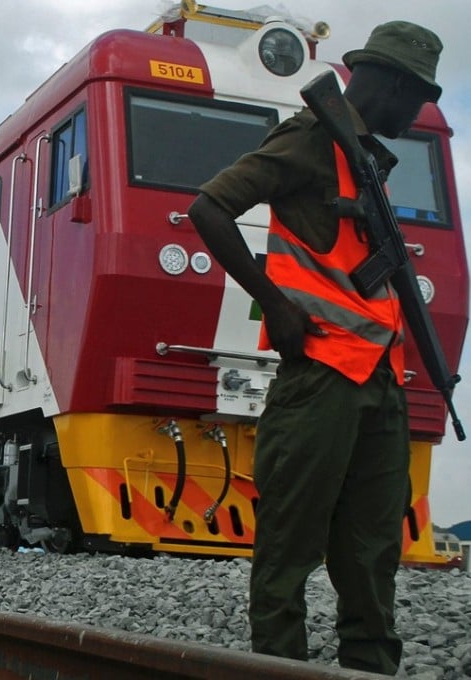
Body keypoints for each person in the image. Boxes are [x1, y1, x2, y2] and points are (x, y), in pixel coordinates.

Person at [186, 21, 443, 676]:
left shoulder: (364, 158)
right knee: (290, 549)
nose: (418, 113)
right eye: (416, 97)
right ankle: (280, 669)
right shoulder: (310, 138)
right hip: (322, 377)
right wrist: (273, 304)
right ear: (386, 83)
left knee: (372, 554)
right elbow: (211, 206)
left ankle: (370, 668)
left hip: (380, 379)